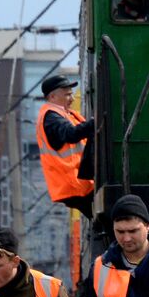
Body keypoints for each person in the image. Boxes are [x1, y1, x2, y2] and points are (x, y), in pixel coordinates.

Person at [35, 73, 94, 218]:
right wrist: (95, 122)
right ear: (53, 97)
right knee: (116, 220)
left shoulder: (65, 115)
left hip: (78, 182)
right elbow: (71, 134)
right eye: (67, 95)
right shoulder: (52, 117)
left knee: (109, 224)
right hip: (74, 183)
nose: (72, 99)